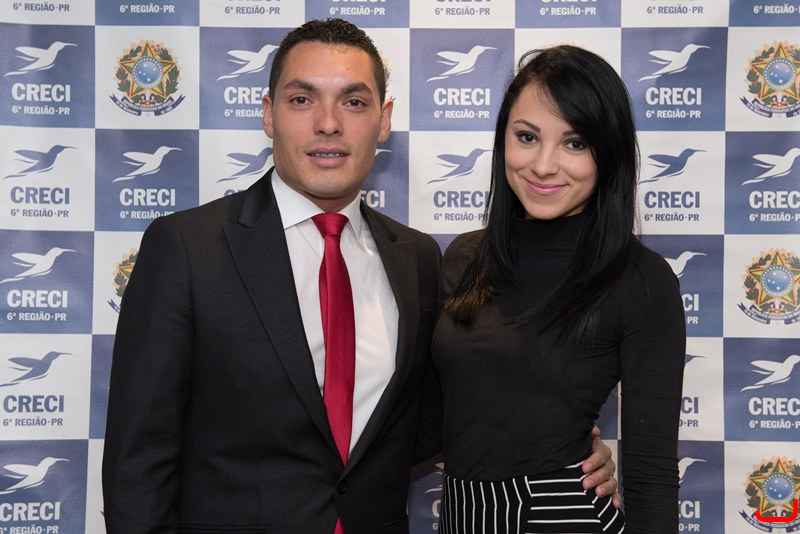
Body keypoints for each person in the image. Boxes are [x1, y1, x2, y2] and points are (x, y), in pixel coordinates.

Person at [102, 20, 619, 533]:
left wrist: (567, 452)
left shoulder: (418, 258)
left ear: (383, 119)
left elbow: (442, 414)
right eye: (302, 99)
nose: (328, 123)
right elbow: (138, 460)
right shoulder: (187, 248)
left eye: (353, 101)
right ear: (267, 114)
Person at [430, 45, 686, 533]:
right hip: (462, 517)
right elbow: (430, 422)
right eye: (527, 137)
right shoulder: (465, 257)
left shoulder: (640, 279)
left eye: (575, 143)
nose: (544, 165)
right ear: (503, 139)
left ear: (608, 153)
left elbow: (651, 474)